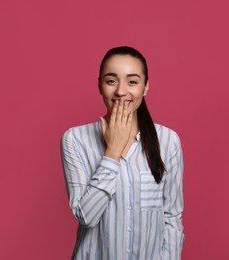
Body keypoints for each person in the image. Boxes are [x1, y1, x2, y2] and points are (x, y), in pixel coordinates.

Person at [61, 46, 185, 259]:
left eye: (132, 82)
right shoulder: (75, 140)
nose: (120, 91)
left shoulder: (168, 141)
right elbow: (86, 216)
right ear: (100, 85)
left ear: (145, 87)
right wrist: (113, 152)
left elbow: (172, 217)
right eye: (111, 81)